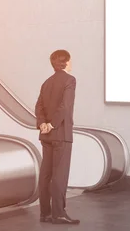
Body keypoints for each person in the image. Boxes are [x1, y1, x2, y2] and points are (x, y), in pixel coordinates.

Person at [35, 49, 80, 225]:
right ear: (66, 62)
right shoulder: (70, 80)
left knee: (46, 174)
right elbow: (65, 106)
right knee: (59, 175)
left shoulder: (47, 82)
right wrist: (53, 124)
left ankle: (45, 214)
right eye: (71, 60)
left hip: (46, 135)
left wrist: (43, 124)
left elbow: (39, 106)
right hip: (61, 134)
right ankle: (59, 214)